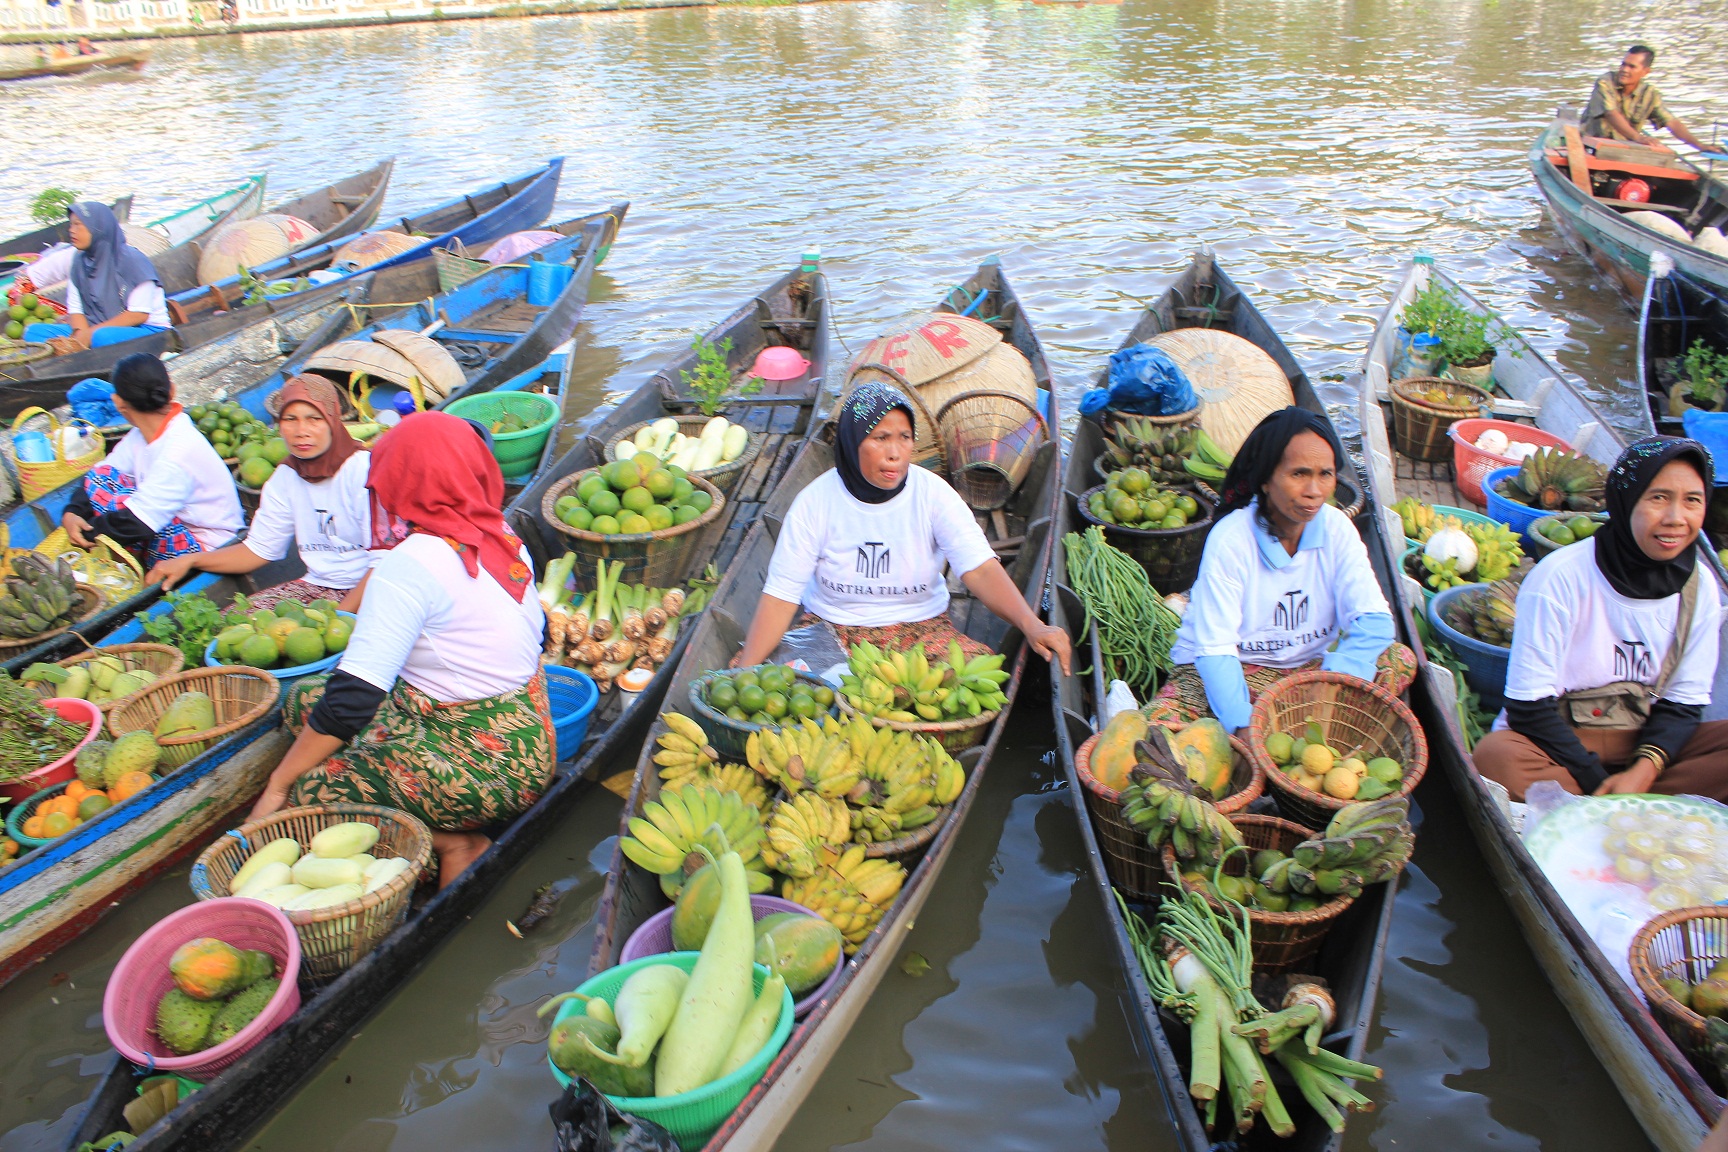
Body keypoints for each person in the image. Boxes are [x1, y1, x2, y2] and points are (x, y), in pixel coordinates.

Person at [246, 411, 554, 889]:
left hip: (481, 769)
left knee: (314, 790)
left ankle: (451, 842)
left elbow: (353, 701)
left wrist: (278, 786)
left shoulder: (410, 566)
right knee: (305, 701)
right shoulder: (499, 534)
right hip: (529, 737)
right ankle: (440, 819)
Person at [734, 381, 1071, 675]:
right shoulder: (815, 502)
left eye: (904, 438)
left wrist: (1032, 625)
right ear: (852, 444)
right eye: (880, 438)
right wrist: (747, 669)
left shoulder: (933, 494)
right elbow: (781, 596)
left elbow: (980, 570)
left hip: (921, 631)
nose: (895, 453)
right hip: (831, 631)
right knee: (799, 694)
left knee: (971, 681)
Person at [1474, 438, 1728, 803]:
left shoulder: (1699, 587)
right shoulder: (1560, 577)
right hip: (1560, 742)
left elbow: (1683, 704)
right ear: (1626, 502)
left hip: (1642, 742)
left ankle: (1609, 802)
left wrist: (1642, 771)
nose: (1676, 518)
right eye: (1658, 498)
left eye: (1692, 500)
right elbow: (1529, 708)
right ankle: (1633, 804)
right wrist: (1597, 781)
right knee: (1496, 758)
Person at [1156, 408, 1414, 733]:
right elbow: (1216, 649)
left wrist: (1332, 690)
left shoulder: (1337, 530)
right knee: (1160, 727)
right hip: (1233, 667)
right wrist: (1242, 726)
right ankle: (1263, 730)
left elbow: (1374, 621)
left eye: (1326, 474)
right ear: (1265, 480)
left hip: (1308, 673)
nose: (1315, 491)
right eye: (1299, 474)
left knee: (1398, 658)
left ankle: (1302, 725)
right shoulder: (1232, 540)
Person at [146, 375, 372, 609]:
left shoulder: (363, 471)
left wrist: (339, 619)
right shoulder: (286, 477)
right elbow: (258, 549)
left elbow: (386, 561)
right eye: (290, 419)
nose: (301, 431)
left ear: (333, 419)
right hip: (317, 586)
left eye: (314, 419)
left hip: (374, 586)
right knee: (234, 622)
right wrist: (192, 560)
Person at [62, 352, 243, 566]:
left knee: (126, 504)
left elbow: (138, 523)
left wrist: (87, 534)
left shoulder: (176, 453)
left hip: (208, 546)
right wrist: (73, 513)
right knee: (101, 479)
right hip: (172, 522)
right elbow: (101, 474)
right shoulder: (141, 436)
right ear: (172, 390)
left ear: (118, 403)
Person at [22, 202, 168, 355]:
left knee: (101, 337)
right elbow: (76, 310)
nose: (72, 231)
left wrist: (89, 335)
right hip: (95, 327)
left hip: (147, 329)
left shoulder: (132, 260)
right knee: (34, 333)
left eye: (78, 225)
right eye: (71, 225)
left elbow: (139, 314)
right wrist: (79, 337)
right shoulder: (79, 262)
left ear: (98, 228)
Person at [1581, 45, 1711, 152]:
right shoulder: (1605, 82)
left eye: (1632, 67)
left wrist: (1700, 146)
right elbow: (1611, 113)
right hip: (1591, 147)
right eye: (1623, 64)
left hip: (1625, 150)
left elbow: (1671, 122)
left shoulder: (1650, 94)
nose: (1624, 70)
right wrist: (1638, 138)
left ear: (1645, 71)